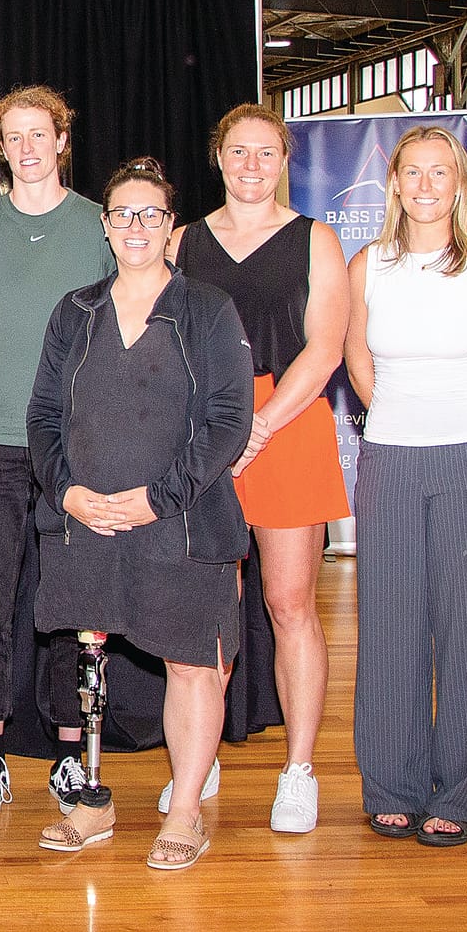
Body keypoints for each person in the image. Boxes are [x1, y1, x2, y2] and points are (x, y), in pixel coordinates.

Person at [28, 158, 253, 870]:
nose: (135, 226)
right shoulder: (74, 310)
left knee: (191, 666)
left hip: (181, 526)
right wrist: (66, 492)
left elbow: (228, 419)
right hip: (89, 523)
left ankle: (185, 811)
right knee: (91, 655)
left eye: (150, 215)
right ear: (104, 224)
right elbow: (42, 416)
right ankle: (92, 802)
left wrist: (159, 498)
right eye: (122, 213)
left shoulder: (208, 309)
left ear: (169, 226)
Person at [346, 126, 467, 849]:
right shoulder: (369, 266)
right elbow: (356, 355)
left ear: (459, 185)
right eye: (413, 173)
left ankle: (458, 789)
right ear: (394, 182)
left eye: (439, 173)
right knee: (389, 628)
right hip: (389, 460)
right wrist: (389, 412)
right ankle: (391, 785)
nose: (425, 185)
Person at [170, 104, 351, 833]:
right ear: (219, 159)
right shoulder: (183, 241)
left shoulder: (317, 240)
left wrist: (260, 425)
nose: (251, 165)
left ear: (285, 160)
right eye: (238, 152)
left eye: (265, 153)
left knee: (288, 601)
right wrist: (221, 432)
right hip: (205, 431)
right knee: (206, 608)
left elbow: (327, 347)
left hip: (289, 421)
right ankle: (198, 754)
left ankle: (299, 769)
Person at [0, 85, 113, 818]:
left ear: (61, 139)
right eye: (13, 136)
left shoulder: (101, 228)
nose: (26, 147)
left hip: (77, 449)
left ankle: (70, 755)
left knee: (68, 601)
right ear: (1, 147)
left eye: (38, 134)